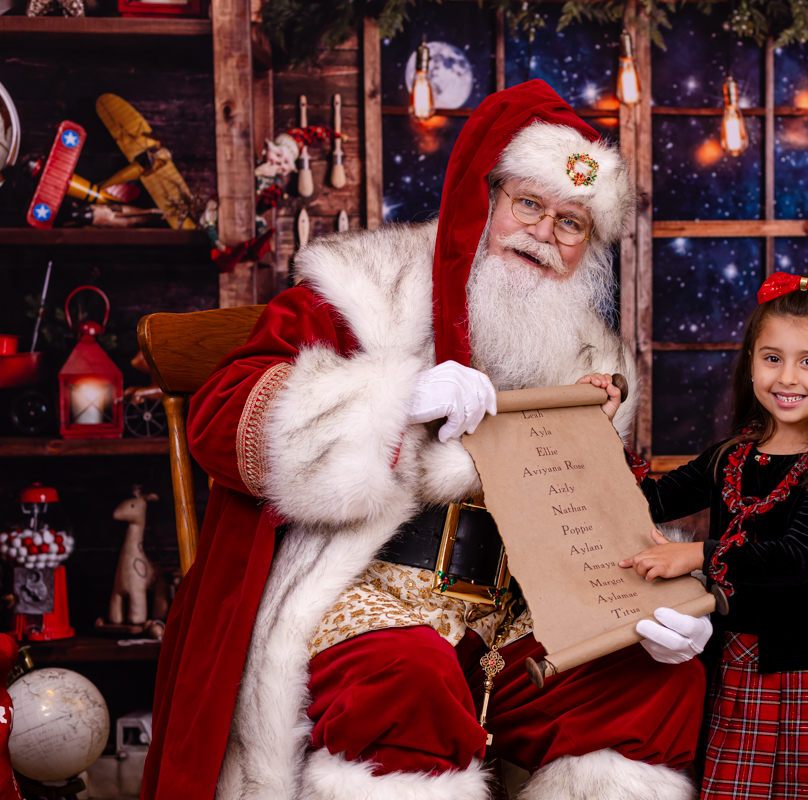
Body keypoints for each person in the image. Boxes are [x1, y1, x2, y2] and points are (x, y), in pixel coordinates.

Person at [141, 81, 710, 800]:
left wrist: (651, 605)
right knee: (408, 682)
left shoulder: (588, 357)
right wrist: (393, 398)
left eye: (572, 223)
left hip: (516, 617)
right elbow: (221, 419)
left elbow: (603, 510)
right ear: (487, 199)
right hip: (365, 598)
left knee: (654, 685)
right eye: (530, 205)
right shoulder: (365, 290)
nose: (544, 234)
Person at [616, 272, 808, 800]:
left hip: (806, 668)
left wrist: (696, 554)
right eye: (772, 358)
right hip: (730, 660)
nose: (787, 377)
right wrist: (600, 429)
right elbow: (649, 498)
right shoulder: (732, 453)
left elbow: (794, 559)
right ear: (751, 362)